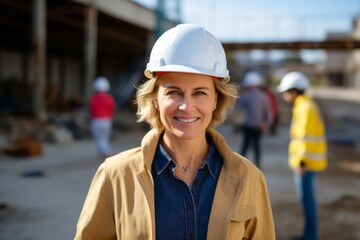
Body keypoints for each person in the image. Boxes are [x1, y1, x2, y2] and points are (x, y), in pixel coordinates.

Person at [75, 24, 275, 240]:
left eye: (200, 93)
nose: (186, 106)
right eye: (173, 92)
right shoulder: (114, 175)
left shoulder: (249, 178)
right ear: (155, 99)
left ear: (215, 100)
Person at [278, 71, 327, 240]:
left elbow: (304, 137)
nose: (284, 96)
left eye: (285, 92)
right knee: (307, 202)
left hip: (306, 164)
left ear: (292, 91)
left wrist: (301, 162)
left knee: (308, 202)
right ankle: (308, 234)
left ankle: (311, 236)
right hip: (308, 162)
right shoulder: (305, 105)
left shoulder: (304, 108)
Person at [235, 71, 272, 168]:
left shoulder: (246, 95)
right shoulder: (264, 96)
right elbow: (268, 112)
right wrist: (266, 123)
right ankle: (258, 165)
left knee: (245, 145)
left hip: (248, 125)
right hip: (259, 126)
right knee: (257, 146)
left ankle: (239, 165)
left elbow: (238, 107)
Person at [89, 76, 116, 159]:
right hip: (107, 121)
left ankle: (107, 152)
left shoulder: (93, 98)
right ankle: (103, 153)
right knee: (104, 138)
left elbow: (91, 110)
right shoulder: (110, 98)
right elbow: (112, 110)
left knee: (99, 139)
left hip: (96, 121)